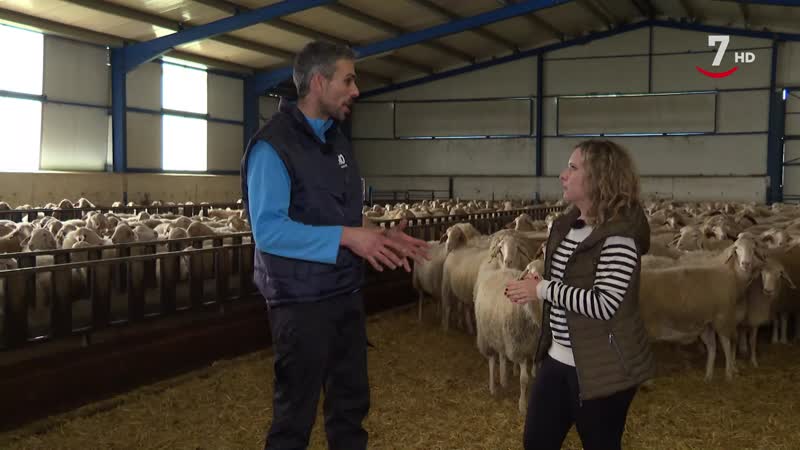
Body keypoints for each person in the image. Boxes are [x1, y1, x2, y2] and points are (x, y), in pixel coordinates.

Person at [240, 41, 430, 450]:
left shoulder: (337, 141)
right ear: (319, 82)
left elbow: (343, 216)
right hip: (300, 300)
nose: (356, 90)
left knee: (350, 407)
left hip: (343, 292)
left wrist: (377, 233)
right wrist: (349, 237)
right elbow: (269, 231)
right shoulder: (272, 147)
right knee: (295, 416)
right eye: (348, 79)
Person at [504, 139, 655, 450]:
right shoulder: (567, 227)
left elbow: (605, 304)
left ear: (599, 178)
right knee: (536, 442)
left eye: (572, 168)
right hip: (558, 356)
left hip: (603, 368)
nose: (563, 175)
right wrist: (540, 281)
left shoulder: (620, 237)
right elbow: (571, 281)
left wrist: (542, 289)